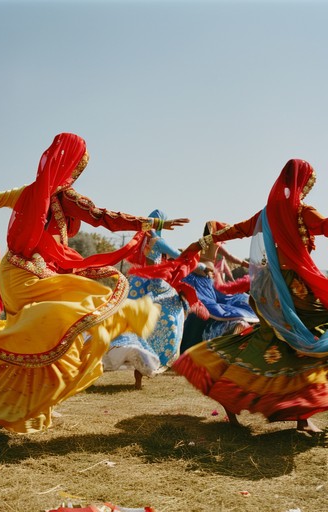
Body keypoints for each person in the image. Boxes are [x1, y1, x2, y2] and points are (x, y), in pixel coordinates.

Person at [0, 132, 190, 433]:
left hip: (13, 274)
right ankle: (19, 406)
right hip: (33, 279)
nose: (76, 173)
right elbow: (103, 217)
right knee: (68, 323)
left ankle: (31, 408)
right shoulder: (64, 197)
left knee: (39, 341)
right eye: (78, 166)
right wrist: (152, 223)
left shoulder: (27, 191)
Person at [174, 158, 328, 433]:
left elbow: (234, 231)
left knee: (276, 344)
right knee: (307, 343)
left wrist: (202, 241)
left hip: (269, 290)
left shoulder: (265, 215)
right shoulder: (302, 212)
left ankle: (231, 392)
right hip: (295, 290)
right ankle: (299, 415)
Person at [102, 209, 190, 389]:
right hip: (153, 287)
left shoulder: (147, 241)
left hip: (137, 286)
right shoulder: (157, 241)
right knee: (168, 319)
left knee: (137, 330)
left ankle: (138, 377)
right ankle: (147, 367)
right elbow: (173, 261)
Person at [179, 220, 259, 353]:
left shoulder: (204, 243)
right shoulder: (210, 243)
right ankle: (225, 331)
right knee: (206, 308)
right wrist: (249, 266)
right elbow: (232, 258)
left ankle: (234, 329)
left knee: (210, 307)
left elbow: (231, 259)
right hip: (200, 280)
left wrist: (250, 266)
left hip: (205, 281)